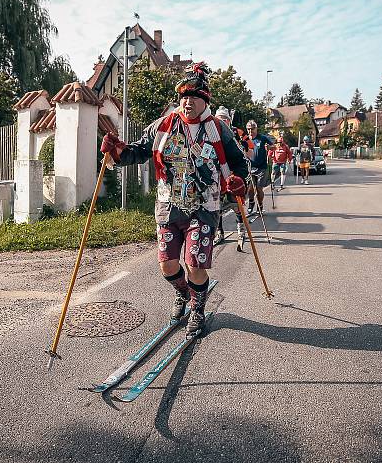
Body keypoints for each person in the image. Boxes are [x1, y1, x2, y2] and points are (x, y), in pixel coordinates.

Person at [99, 63, 249, 337]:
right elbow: (139, 151)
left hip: (205, 207)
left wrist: (238, 181)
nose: (187, 101)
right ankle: (183, 293)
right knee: (167, 264)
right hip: (169, 205)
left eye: (193, 97)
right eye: (183, 96)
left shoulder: (218, 129)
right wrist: (117, 150)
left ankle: (198, 308)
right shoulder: (164, 126)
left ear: (205, 101)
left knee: (195, 263)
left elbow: (240, 162)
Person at [213, 106, 253, 246]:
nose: (222, 121)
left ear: (229, 121)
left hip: (233, 172)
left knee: (236, 203)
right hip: (217, 174)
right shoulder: (211, 131)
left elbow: (250, 148)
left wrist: (244, 148)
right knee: (216, 205)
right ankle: (219, 232)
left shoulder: (238, 132)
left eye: (225, 119)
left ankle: (241, 230)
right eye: (219, 119)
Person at [247, 120, 271, 214]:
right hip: (250, 167)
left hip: (262, 167)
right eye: (248, 129)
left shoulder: (263, 138)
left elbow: (273, 146)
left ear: (256, 128)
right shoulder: (246, 139)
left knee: (259, 188)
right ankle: (251, 203)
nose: (250, 131)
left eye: (252, 129)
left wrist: (268, 147)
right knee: (250, 189)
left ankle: (260, 205)